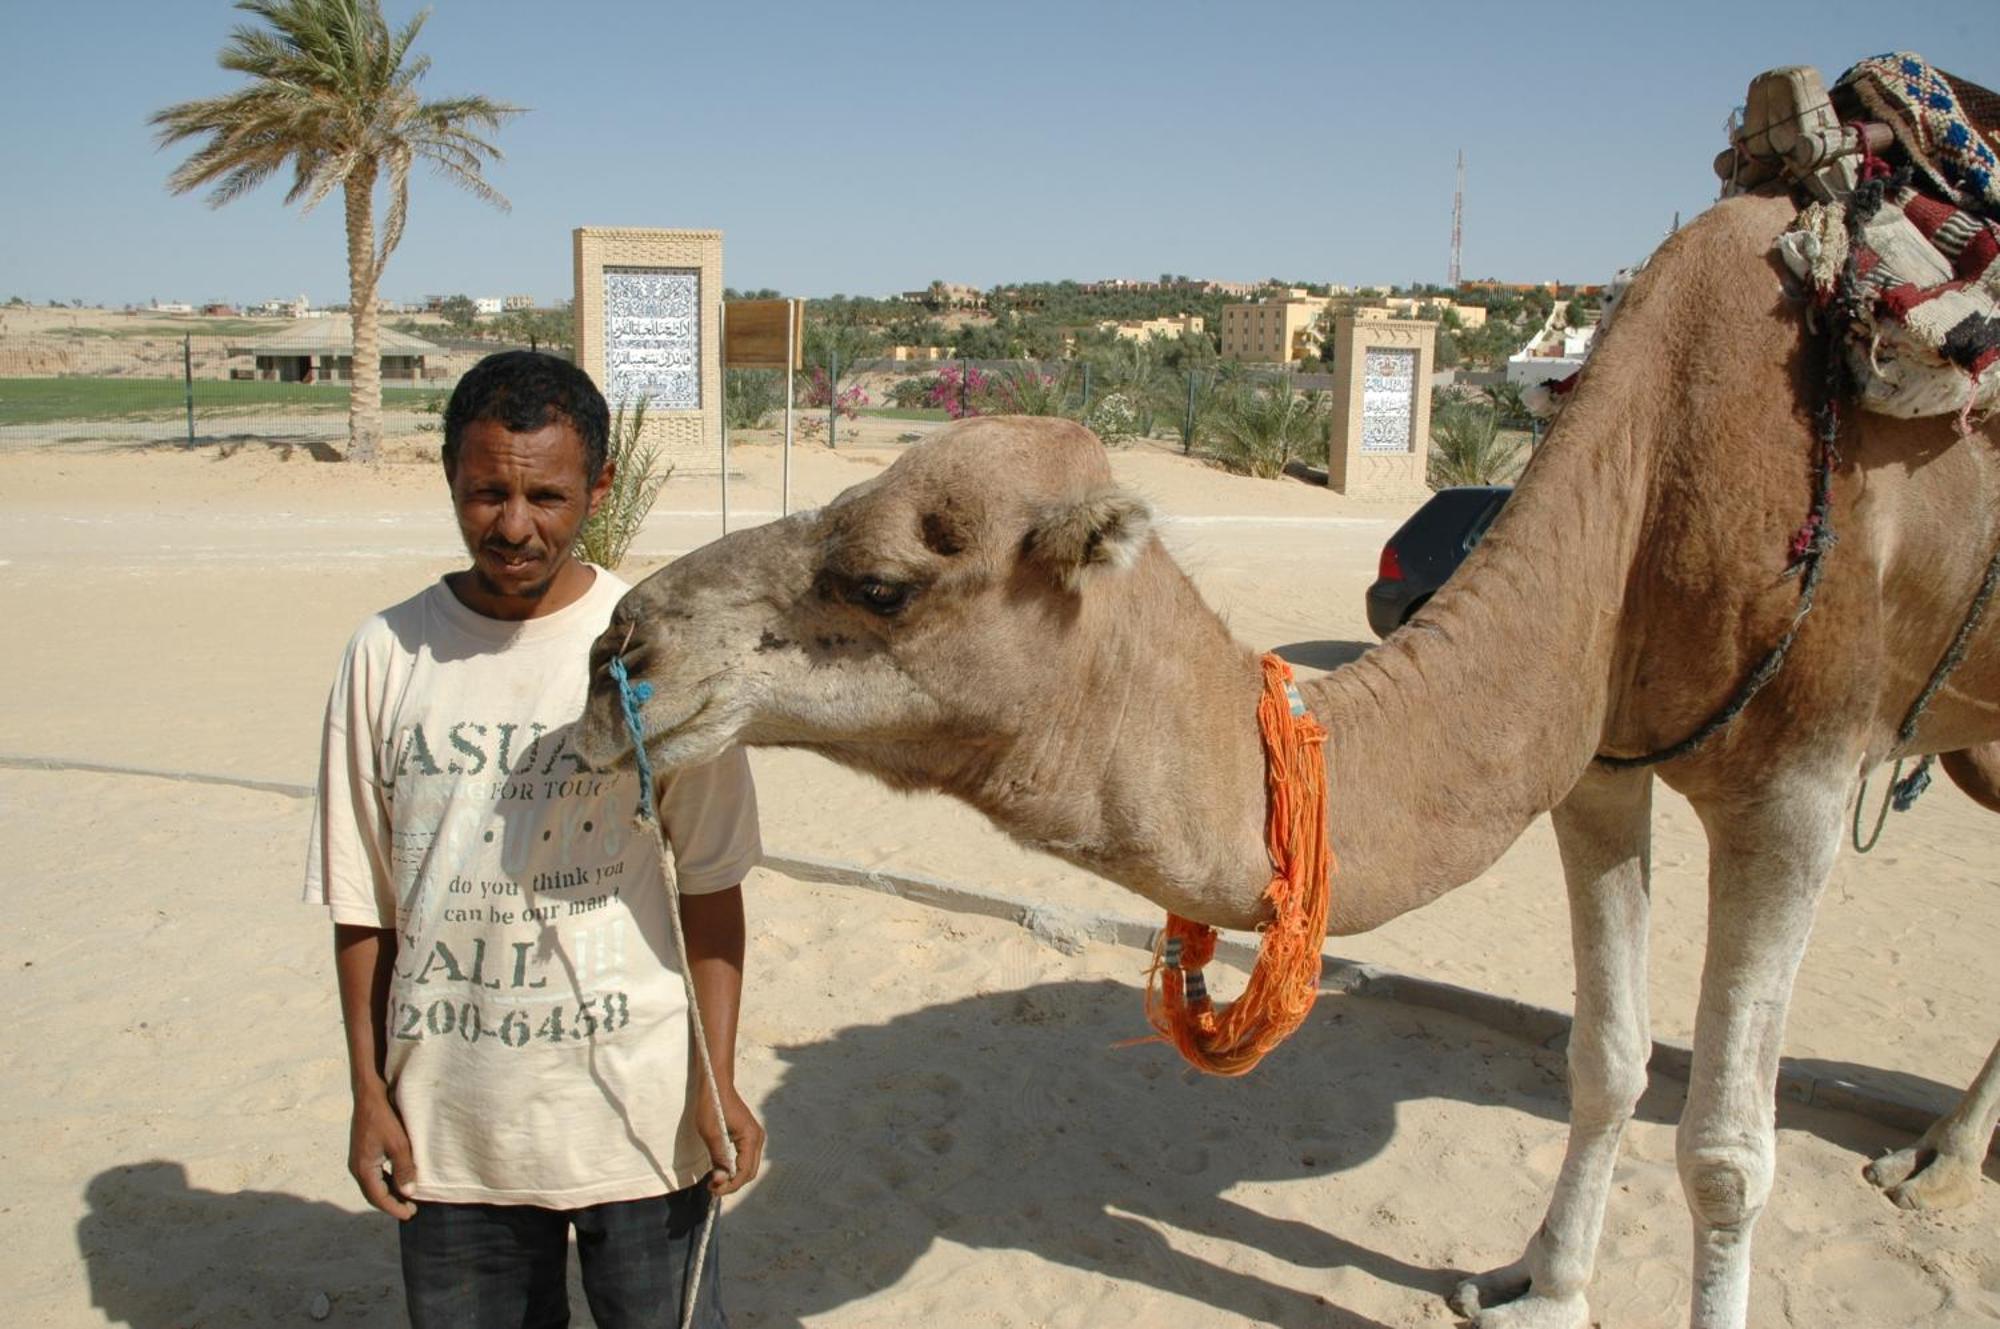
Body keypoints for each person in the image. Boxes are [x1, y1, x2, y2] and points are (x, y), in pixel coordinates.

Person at [303, 350, 763, 1328]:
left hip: (640, 1120)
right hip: (451, 1130)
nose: (514, 526)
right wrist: (369, 1093)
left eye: (548, 495)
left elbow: (711, 883)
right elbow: (361, 904)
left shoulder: (657, 651)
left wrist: (716, 1080)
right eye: (486, 493)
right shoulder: (386, 654)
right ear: (450, 477)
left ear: (599, 486)